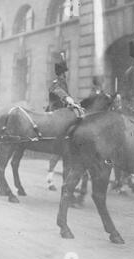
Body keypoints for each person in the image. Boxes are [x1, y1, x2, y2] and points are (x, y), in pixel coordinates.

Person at [45, 53, 76, 191]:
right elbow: (57, 91)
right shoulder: (56, 83)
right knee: (60, 145)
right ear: (61, 73)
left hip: (63, 113)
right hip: (56, 113)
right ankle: (50, 178)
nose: (65, 75)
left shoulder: (63, 82)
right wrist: (67, 99)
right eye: (64, 73)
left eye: (65, 73)